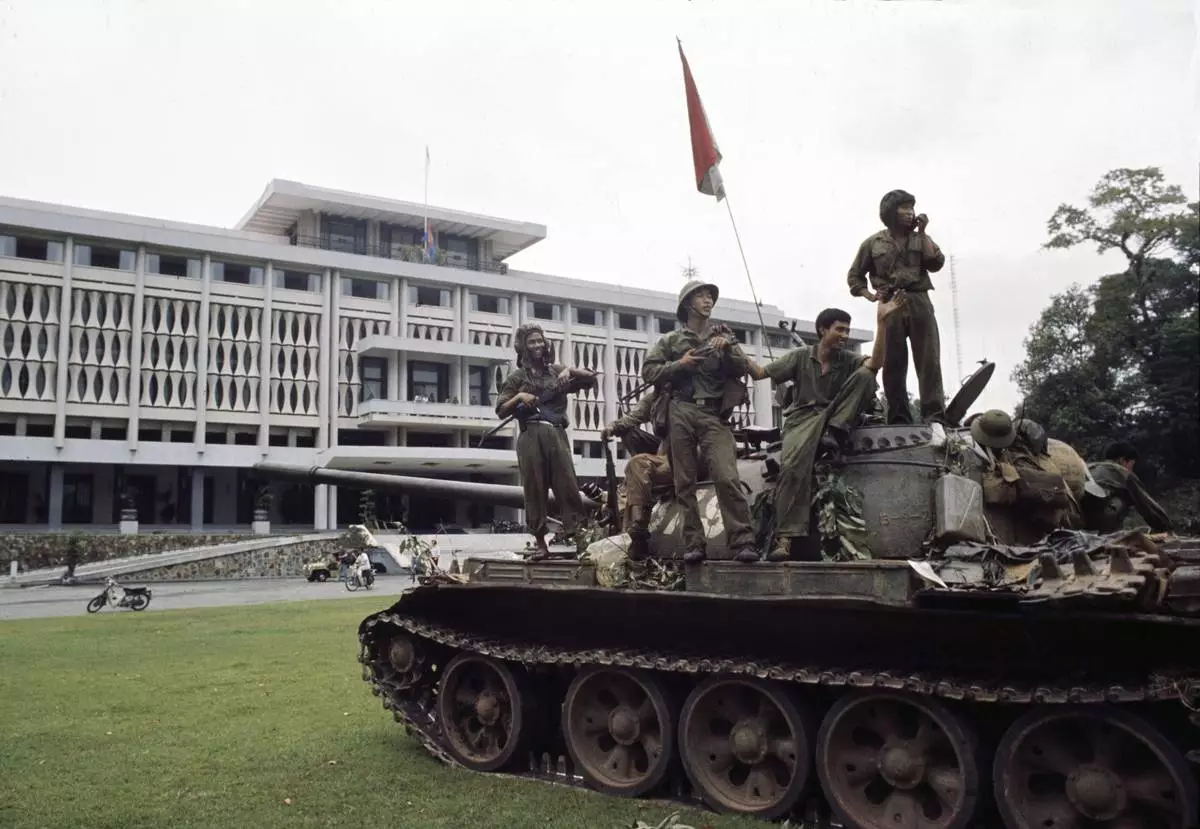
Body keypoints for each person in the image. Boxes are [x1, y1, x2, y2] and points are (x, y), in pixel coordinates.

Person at [745, 296, 904, 561]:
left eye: (847, 331)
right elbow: (760, 373)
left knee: (867, 375)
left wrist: (882, 323)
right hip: (802, 418)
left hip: (833, 415)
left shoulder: (847, 359)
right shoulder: (799, 357)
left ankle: (834, 433)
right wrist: (732, 350)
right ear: (822, 330)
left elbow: (875, 363)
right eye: (839, 329)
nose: (844, 335)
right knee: (792, 467)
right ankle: (785, 538)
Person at [642, 280, 758, 564]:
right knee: (684, 483)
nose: (708, 301)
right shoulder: (671, 341)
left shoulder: (723, 335)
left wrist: (727, 348)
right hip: (680, 410)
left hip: (713, 414)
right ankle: (694, 543)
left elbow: (744, 368)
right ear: (687, 304)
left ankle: (742, 541)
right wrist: (679, 364)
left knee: (726, 476)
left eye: (710, 297)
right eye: (701, 296)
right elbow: (649, 372)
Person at [496, 323, 599, 561]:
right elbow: (501, 410)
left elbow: (591, 379)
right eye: (531, 342)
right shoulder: (517, 377)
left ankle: (580, 538)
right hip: (531, 434)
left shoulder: (556, 371)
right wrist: (520, 397)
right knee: (535, 488)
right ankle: (541, 543)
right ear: (522, 347)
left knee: (568, 486)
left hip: (556, 432)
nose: (537, 346)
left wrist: (570, 371)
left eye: (539, 341)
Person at [847, 189, 947, 425]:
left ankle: (934, 417)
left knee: (929, 360)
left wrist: (922, 233)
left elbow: (936, 263)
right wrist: (870, 296)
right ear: (891, 212)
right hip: (890, 303)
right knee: (892, 362)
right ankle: (899, 418)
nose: (909, 212)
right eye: (904, 207)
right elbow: (854, 277)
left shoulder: (921, 238)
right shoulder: (873, 243)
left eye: (911, 207)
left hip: (919, 299)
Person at [601, 389, 673, 561]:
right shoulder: (657, 398)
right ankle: (638, 529)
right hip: (667, 453)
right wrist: (614, 426)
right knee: (637, 463)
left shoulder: (695, 392)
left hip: (691, 454)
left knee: (639, 465)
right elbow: (634, 417)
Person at [1082, 441, 1172, 533]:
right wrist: (1165, 526)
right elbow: (1146, 504)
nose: (1131, 470)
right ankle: (1109, 536)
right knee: (1127, 496)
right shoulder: (1122, 472)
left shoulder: (1089, 467)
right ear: (1122, 460)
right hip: (1094, 520)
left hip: (1075, 518)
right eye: (1132, 465)